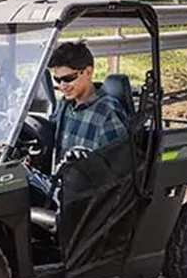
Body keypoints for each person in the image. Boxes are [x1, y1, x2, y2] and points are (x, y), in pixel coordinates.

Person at [25, 40, 130, 206]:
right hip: (59, 188)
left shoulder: (108, 112)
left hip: (86, 199)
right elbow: (48, 134)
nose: (62, 86)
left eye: (68, 78)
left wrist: (85, 162)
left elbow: (119, 170)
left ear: (88, 72)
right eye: (57, 80)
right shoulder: (65, 104)